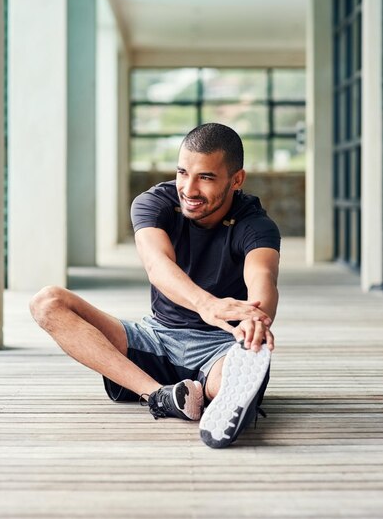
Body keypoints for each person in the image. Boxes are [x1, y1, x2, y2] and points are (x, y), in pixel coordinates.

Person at [30, 123, 280, 449]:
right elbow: (157, 265)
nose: (189, 188)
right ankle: (159, 395)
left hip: (221, 345)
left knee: (230, 376)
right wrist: (206, 304)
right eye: (182, 173)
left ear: (236, 180)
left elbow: (262, 276)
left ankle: (226, 392)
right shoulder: (154, 204)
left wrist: (257, 317)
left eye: (206, 177)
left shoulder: (256, 225)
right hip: (156, 338)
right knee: (47, 302)